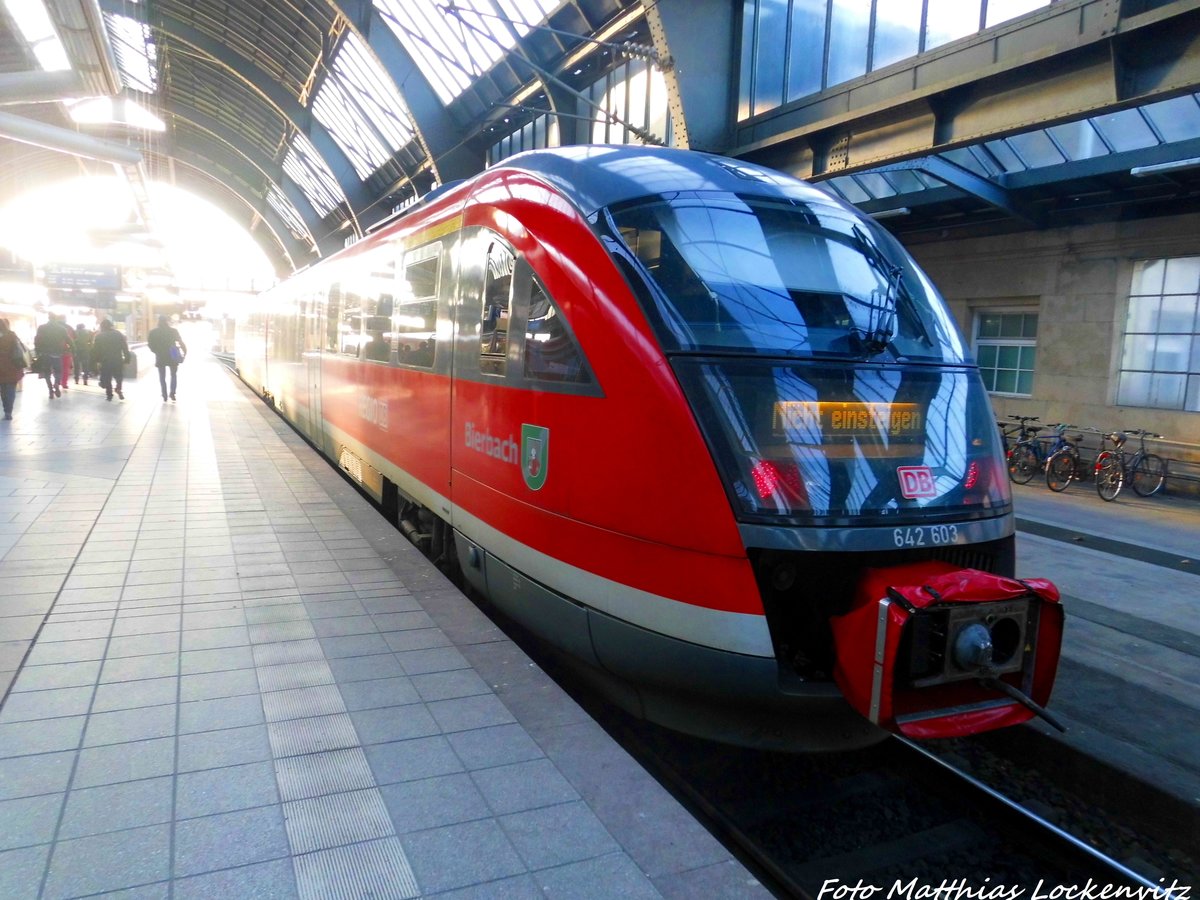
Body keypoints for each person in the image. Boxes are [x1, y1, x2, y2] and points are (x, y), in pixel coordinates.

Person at [147, 315, 187, 401]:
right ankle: (172, 393)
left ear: (158, 321)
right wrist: (185, 352)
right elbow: (180, 342)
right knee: (173, 375)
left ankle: (164, 394)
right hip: (172, 354)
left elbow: (150, 344)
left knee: (162, 376)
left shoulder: (153, 332)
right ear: (167, 321)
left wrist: (155, 351)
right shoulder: (173, 331)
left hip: (160, 355)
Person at [33, 313, 71, 399]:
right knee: (58, 371)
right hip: (57, 353)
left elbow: (37, 339)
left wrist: (37, 350)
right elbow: (68, 340)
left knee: (47, 373)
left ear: (48, 318)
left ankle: (50, 390)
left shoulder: (41, 328)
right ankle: (56, 384)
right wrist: (73, 349)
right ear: (56, 319)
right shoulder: (61, 329)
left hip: (45, 353)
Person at [92, 319, 130, 401]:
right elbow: (125, 347)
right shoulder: (118, 334)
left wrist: (96, 362)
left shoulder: (99, 336)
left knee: (107, 378)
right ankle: (118, 388)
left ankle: (109, 395)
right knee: (119, 376)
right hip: (117, 359)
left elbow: (95, 351)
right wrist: (127, 358)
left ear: (102, 326)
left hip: (105, 361)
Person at [0, 318, 27, 420]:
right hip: (11, 364)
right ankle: (8, 411)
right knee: (11, 387)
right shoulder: (11, 335)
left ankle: (6, 407)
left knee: (3, 388)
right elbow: (18, 350)